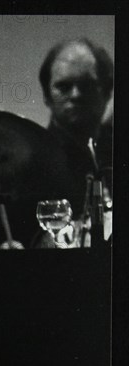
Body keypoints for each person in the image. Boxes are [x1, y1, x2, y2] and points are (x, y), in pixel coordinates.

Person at [36, 38, 113, 246]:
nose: (76, 95)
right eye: (63, 86)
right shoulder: (27, 162)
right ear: (46, 96)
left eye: (87, 85)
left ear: (107, 92)